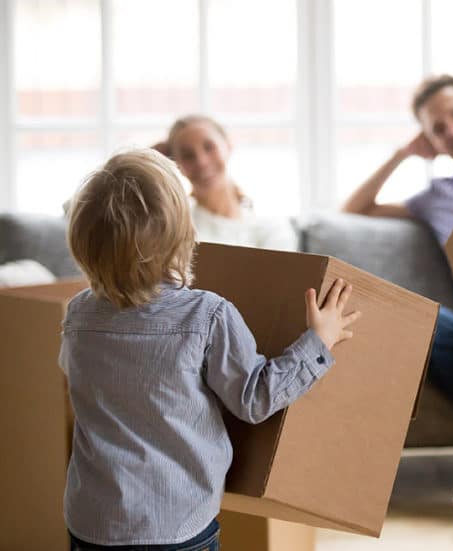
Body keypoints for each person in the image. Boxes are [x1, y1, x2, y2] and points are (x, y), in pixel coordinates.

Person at [60, 149, 362, 549]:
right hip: (176, 525)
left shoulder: (78, 313)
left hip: (92, 521)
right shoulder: (206, 315)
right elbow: (255, 398)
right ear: (182, 236)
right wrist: (319, 341)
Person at [341, 74, 453, 529]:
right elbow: (354, 209)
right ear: (429, 141)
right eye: (437, 128)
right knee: (417, 319)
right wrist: (402, 154)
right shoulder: (438, 197)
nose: (452, 129)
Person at [160, 114, 299, 251]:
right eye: (187, 155)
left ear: (228, 145)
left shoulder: (271, 224)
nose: (201, 162)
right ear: (176, 164)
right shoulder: (177, 228)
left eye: (209, 147)